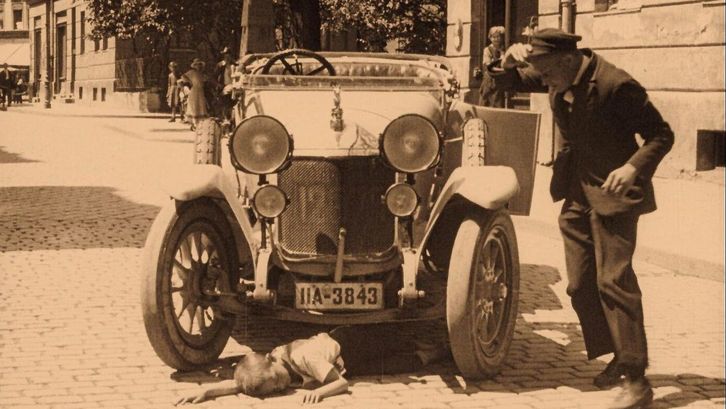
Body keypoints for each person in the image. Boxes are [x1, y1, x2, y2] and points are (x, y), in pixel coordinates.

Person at [489, 28, 674, 409]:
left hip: (616, 192)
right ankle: (619, 356)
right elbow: (505, 81)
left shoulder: (616, 84)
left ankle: (637, 382)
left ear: (568, 60)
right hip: (577, 191)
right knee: (578, 284)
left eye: (547, 74)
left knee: (614, 280)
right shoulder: (554, 71)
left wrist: (632, 168)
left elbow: (661, 135)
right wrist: (504, 61)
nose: (543, 83)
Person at [175, 325, 447, 405]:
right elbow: (242, 384)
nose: (282, 387)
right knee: (402, 364)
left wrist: (319, 392)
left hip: (355, 343)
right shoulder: (272, 367)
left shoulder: (305, 358)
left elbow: (341, 383)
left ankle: (440, 348)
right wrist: (208, 393)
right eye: (276, 390)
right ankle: (431, 355)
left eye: (278, 381)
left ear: (273, 362)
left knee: (402, 346)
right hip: (345, 360)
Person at [478, 26, 506, 107]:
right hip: (489, 80)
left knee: (498, 104)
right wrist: (502, 69)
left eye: (498, 37)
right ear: (490, 38)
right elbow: (488, 66)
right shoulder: (487, 50)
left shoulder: (503, 50)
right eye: (494, 37)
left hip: (499, 81)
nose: (496, 39)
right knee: (486, 103)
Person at [179, 58, 210, 130]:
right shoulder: (191, 72)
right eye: (197, 65)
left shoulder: (201, 74)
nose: (198, 66)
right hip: (194, 91)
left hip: (200, 91)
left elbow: (206, 80)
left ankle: (199, 123)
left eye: (200, 65)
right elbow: (183, 76)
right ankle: (194, 123)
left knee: (200, 105)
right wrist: (189, 82)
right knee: (194, 106)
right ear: (194, 66)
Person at [215, 47, 235, 124]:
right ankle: (226, 121)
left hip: (234, 88)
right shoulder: (220, 65)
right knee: (225, 105)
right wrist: (218, 85)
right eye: (225, 55)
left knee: (233, 106)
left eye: (229, 54)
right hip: (224, 88)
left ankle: (231, 122)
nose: (227, 56)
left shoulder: (235, 65)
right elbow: (213, 77)